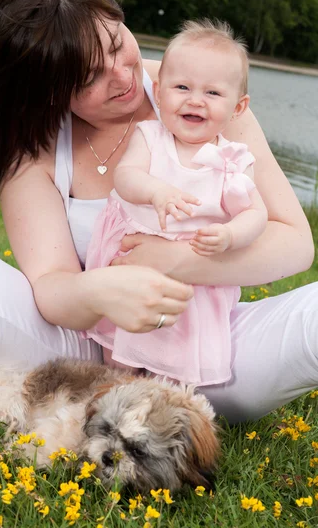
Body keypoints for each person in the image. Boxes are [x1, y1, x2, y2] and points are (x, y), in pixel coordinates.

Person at [0, 0, 315, 425]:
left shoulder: (202, 94)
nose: (123, 77)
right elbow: (50, 285)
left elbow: (294, 243)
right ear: (49, 92)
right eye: (88, 78)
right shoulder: (34, 148)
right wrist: (101, 291)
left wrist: (175, 260)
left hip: (206, 350)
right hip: (82, 353)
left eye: (115, 43)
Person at [84, 20, 268, 386]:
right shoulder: (151, 137)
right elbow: (125, 177)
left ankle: (165, 402)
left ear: (237, 108)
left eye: (213, 93)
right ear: (159, 90)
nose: (195, 100)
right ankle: (113, 391)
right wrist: (156, 191)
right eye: (182, 87)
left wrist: (231, 235)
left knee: (176, 356)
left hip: (192, 279)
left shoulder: (233, 159)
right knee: (119, 356)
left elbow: (256, 213)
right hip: (133, 262)